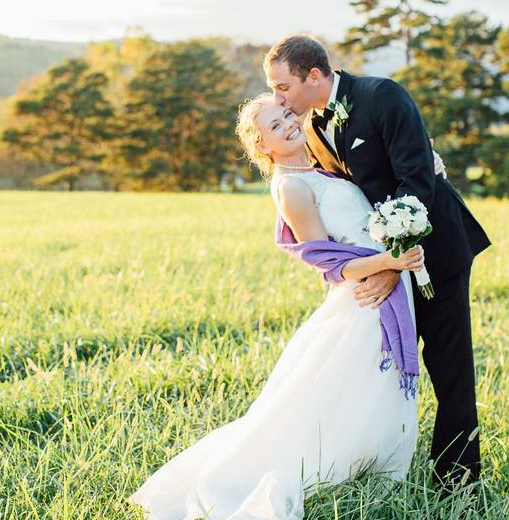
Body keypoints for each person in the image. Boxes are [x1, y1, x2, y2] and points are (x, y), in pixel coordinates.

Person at [127, 94, 440, 519]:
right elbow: (328, 263)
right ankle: (333, 474)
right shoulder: (291, 186)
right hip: (362, 300)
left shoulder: (318, 166)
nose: (290, 124)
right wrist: (387, 262)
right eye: (276, 125)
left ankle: (376, 475)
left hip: (386, 283)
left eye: (288, 115)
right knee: (340, 398)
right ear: (263, 147)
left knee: (372, 393)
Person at [265, 34, 491, 489]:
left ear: (313, 76)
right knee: (383, 372)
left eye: (283, 87)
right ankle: (369, 465)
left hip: (438, 251)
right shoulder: (312, 128)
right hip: (388, 263)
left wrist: (390, 265)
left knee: (449, 368)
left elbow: (416, 179)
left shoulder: (382, 95)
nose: (278, 98)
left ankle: (458, 483)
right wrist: (371, 265)